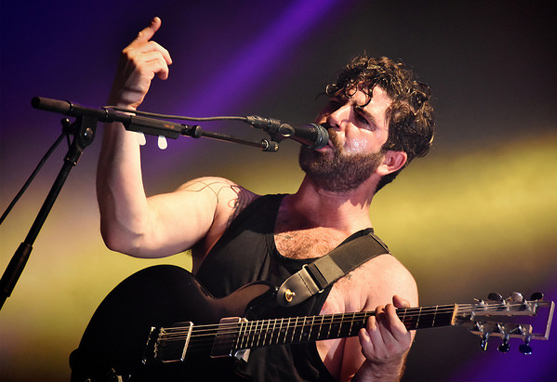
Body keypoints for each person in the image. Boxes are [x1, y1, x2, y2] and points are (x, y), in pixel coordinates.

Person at [97, 17, 434, 382]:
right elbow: (126, 231)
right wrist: (123, 106)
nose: (335, 117)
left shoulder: (385, 282)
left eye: (361, 118)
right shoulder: (226, 203)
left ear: (390, 160)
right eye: (336, 103)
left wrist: (384, 366)